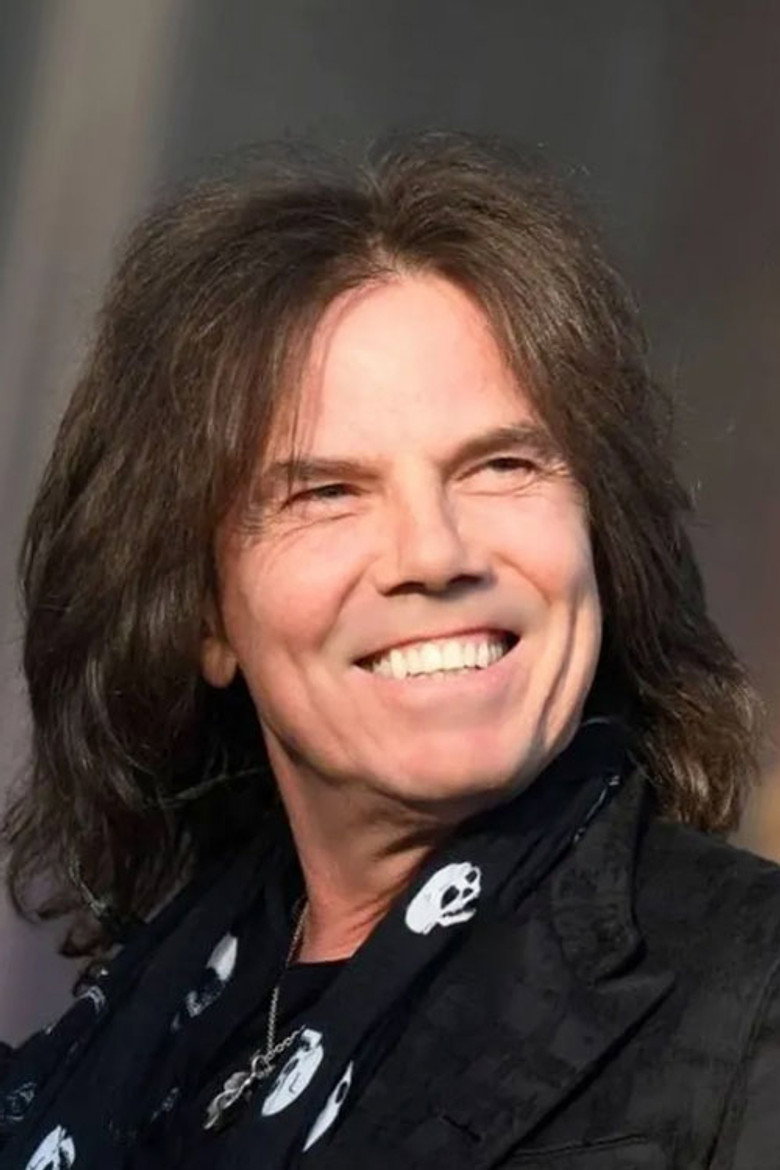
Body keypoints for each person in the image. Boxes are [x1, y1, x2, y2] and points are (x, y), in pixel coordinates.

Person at [0, 133, 778, 1170]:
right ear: (203, 618)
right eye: (326, 491)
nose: (434, 553)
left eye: (501, 465)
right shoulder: (124, 1042)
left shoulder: (750, 992)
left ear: (600, 535)